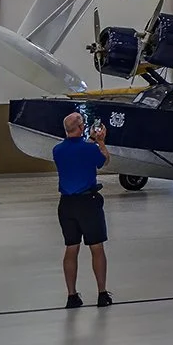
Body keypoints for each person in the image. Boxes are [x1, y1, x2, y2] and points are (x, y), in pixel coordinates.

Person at [54, 113, 114, 308]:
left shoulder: (57, 150)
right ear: (81, 127)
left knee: (71, 249)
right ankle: (102, 294)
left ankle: (71, 296)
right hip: (88, 203)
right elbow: (104, 160)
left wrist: (89, 141)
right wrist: (101, 141)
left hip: (66, 205)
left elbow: (75, 152)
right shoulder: (90, 149)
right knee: (97, 248)